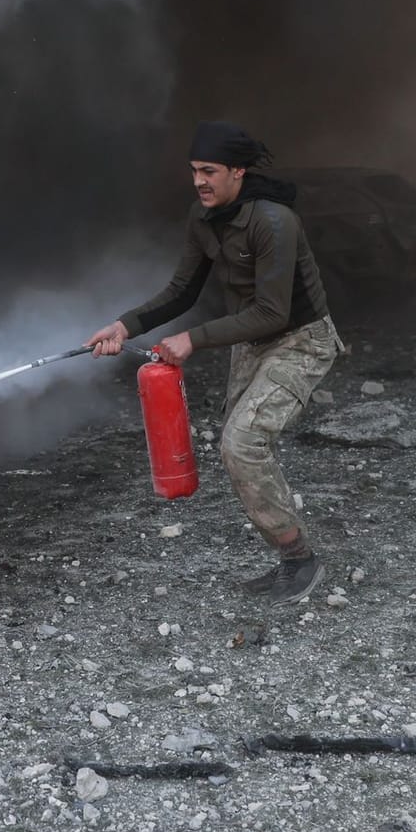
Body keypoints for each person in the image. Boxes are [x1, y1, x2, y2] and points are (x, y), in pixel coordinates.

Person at [85, 122, 340, 605]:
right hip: (251, 343)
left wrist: (193, 340)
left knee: (243, 443)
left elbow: (273, 312)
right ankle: (291, 559)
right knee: (235, 446)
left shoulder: (274, 221)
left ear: (238, 172)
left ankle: (299, 560)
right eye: (194, 171)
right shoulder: (202, 219)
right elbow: (182, 291)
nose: (199, 181)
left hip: (300, 340)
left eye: (209, 171)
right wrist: (125, 326)